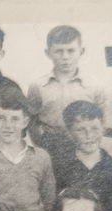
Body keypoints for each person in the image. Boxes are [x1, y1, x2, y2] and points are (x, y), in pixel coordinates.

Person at [27, 25, 106, 163]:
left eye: (71, 50)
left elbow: (102, 119)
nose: (65, 57)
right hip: (50, 146)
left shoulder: (93, 85)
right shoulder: (37, 86)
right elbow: (31, 120)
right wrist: (40, 145)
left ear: (81, 51)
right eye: (58, 51)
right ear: (48, 53)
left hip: (81, 145)